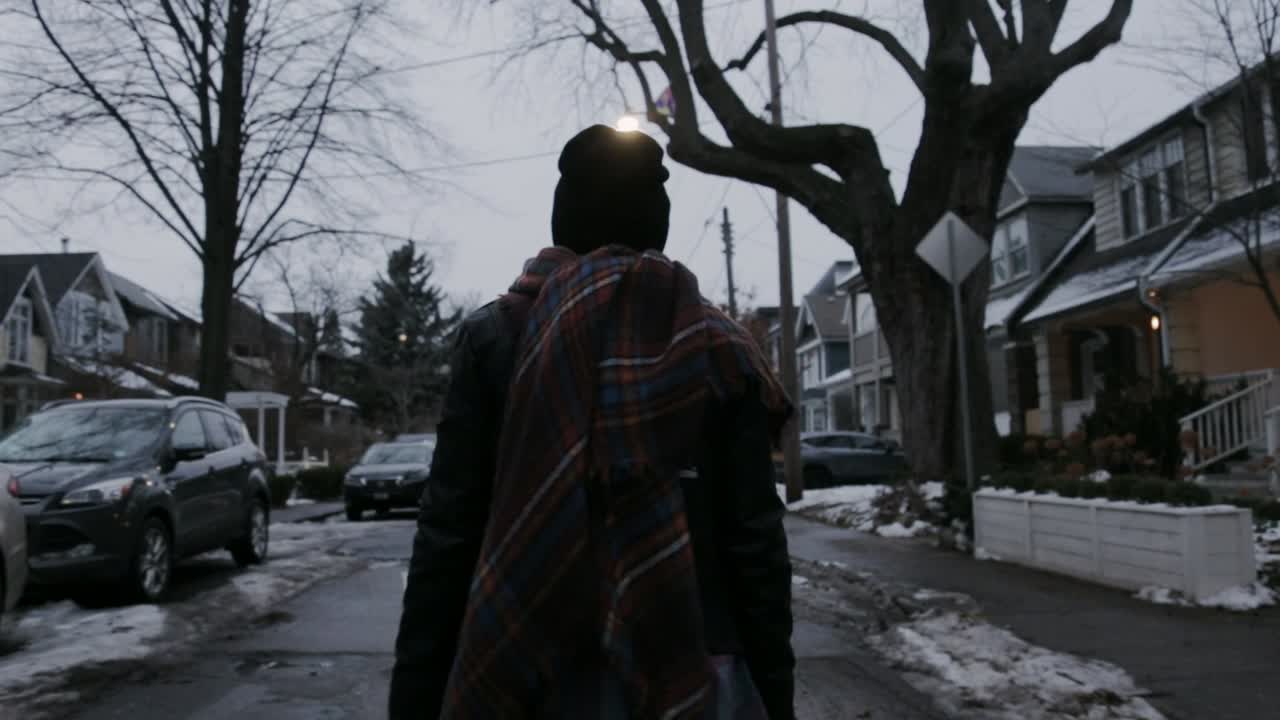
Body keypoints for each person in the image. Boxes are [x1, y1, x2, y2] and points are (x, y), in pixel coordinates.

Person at [388, 125, 795, 719]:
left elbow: (449, 532)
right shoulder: (717, 345)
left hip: (532, 665)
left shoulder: (496, 335)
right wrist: (776, 692)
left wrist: (416, 696)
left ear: (563, 218)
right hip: (697, 670)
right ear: (657, 222)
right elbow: (754, 542)